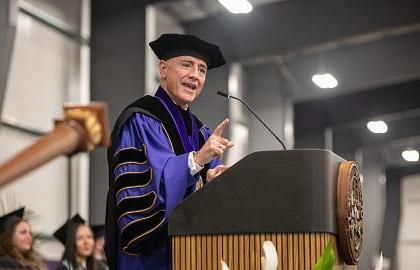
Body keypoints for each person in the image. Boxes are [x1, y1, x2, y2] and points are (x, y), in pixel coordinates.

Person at [105, 33, 233, 270]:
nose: (195, 75)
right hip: (149, 259)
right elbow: (139, 196)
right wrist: (195, 161)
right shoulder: (139, 120)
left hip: (195, 257)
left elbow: (200, 195)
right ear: (163, 69)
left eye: (202, 69)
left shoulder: (202, 132)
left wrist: (212, 182)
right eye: (187, 65)